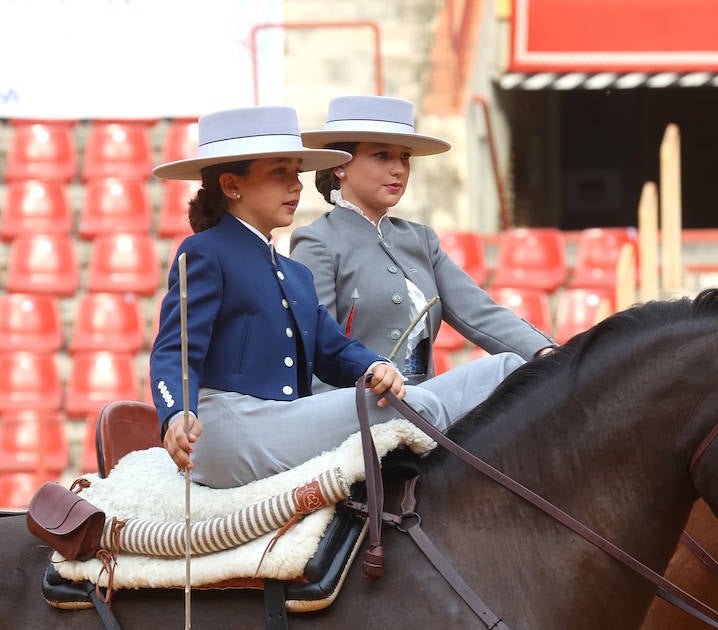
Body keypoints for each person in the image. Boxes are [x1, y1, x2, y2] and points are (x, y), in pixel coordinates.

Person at [149, 105, 525, 488]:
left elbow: (332, 349)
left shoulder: (293, 274)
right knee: (417, 406)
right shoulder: (204, 252)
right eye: (280, 173)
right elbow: (174, 351)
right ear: (232, 186)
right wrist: (176, 412)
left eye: (296, 172)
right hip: (227, 428)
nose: (296, 185)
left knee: (507, 368)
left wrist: (374, 367)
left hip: (287, 422)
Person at [291, 95, 554, 385]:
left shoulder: (421, 239)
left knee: (501, 371)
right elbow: (316, 350)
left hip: (425, 407)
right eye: (382, 156)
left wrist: (545, 354)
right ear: (341, 166)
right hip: (354, 414)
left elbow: (478, 312)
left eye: (404, 157)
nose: (399, 169)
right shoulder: (317, 241)